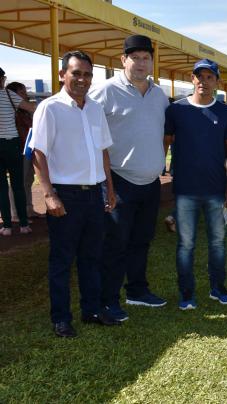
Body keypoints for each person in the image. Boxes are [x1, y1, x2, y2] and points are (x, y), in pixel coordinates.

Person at [29, 51, 122, 337]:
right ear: (62, 75)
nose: (83, 79)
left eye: (87, 74)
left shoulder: (95, 109)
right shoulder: (49, 108)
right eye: (76, 73)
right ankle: (61, 318)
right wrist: (48, 195)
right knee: (62, 260)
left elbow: (103, 150)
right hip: (66, 196)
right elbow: (38, 152)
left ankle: (92, 310)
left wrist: (109, 187)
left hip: (94, 194)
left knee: (91, 257)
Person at [89, 34, 170, 321]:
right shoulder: (105, 91)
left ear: (152, 61)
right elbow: (89, 133)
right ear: (123, 60)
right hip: (118, 180)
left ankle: (137, 291)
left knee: (141, 241)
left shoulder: (159, 95)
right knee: (115, 244)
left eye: (146, 58)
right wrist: (105, 183)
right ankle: (108, 299)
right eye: (134, 57)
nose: (140, 63)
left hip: (150, 183)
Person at [164, 59, 227, 310]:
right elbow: (164, 143)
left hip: (216, 190)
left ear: (216, 82)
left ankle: (218, 289)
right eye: (200, 76)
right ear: (192, 79)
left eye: (209, 77)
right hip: (185, 190)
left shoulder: (226, 112)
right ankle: (186, 294)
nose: (204, 82)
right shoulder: (176, 110)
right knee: (186, 245)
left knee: (217, 242)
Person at [0, 68, 36, 235]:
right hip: (13, 144)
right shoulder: (9, 95)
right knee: (18, 185)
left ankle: (7, 225)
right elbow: (31, 108)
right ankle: (23, 224)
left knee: (1, 187)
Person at [6, 81, 39, 221]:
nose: (25, 95)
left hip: (28, 147)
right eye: (22, 92)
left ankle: (28, 209)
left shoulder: (24, 110)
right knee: (18, 181)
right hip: (20, 147)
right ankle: (16, 213)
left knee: (28, 179)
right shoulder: (12, 110)